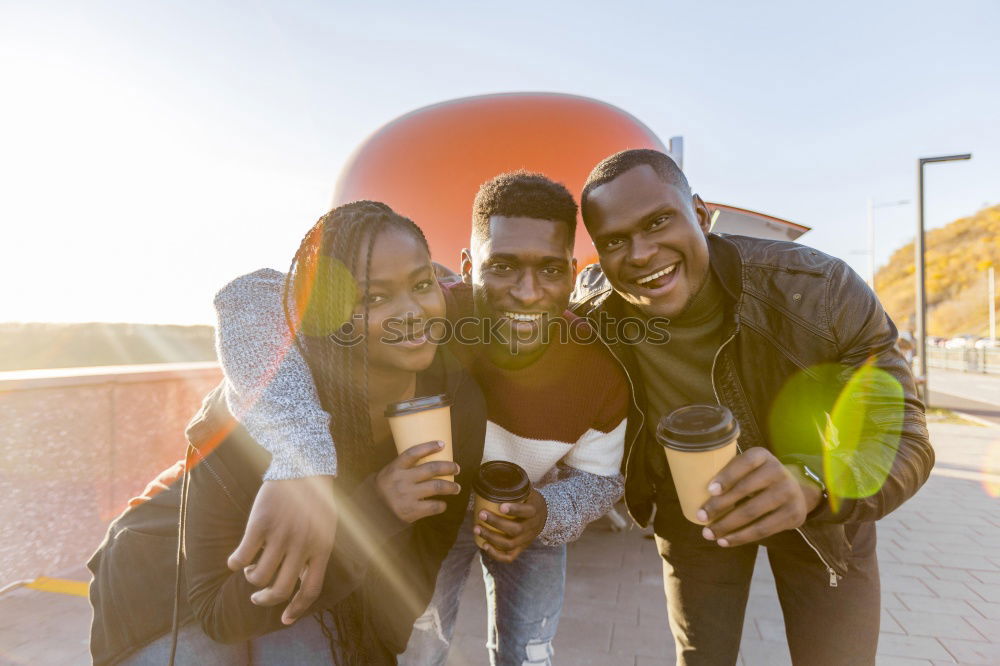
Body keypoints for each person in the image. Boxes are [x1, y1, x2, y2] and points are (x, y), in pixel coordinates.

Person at [212, 172, 629, 665]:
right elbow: (251, 296)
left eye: (550, 270)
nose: (527, 291)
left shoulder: (599, 372)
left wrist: (544, 513)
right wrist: (303, 456)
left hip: (529, 511)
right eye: (503, 266)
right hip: (433, 512)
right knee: (420, 644)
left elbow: (602, 480)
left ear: (573, 268)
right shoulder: (425, 311)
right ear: (468, 266)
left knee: (530, 652)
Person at [571, 149, 935, 665]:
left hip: (825, 510)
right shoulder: (592, 315)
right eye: (615, 241)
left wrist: (813, 483)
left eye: (658, 222)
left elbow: (902, 434)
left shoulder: (820, 290)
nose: (641, 253)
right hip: (692, 510)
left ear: (700, 214)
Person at [87, 201, 487, 665]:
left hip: (315, 579)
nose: (411, 312)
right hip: (173, 587)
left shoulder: (456, 400)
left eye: (422, 285)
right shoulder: (268, 402)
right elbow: (220, 612)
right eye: (373, 298)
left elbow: (422, 559)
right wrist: (361, 499)